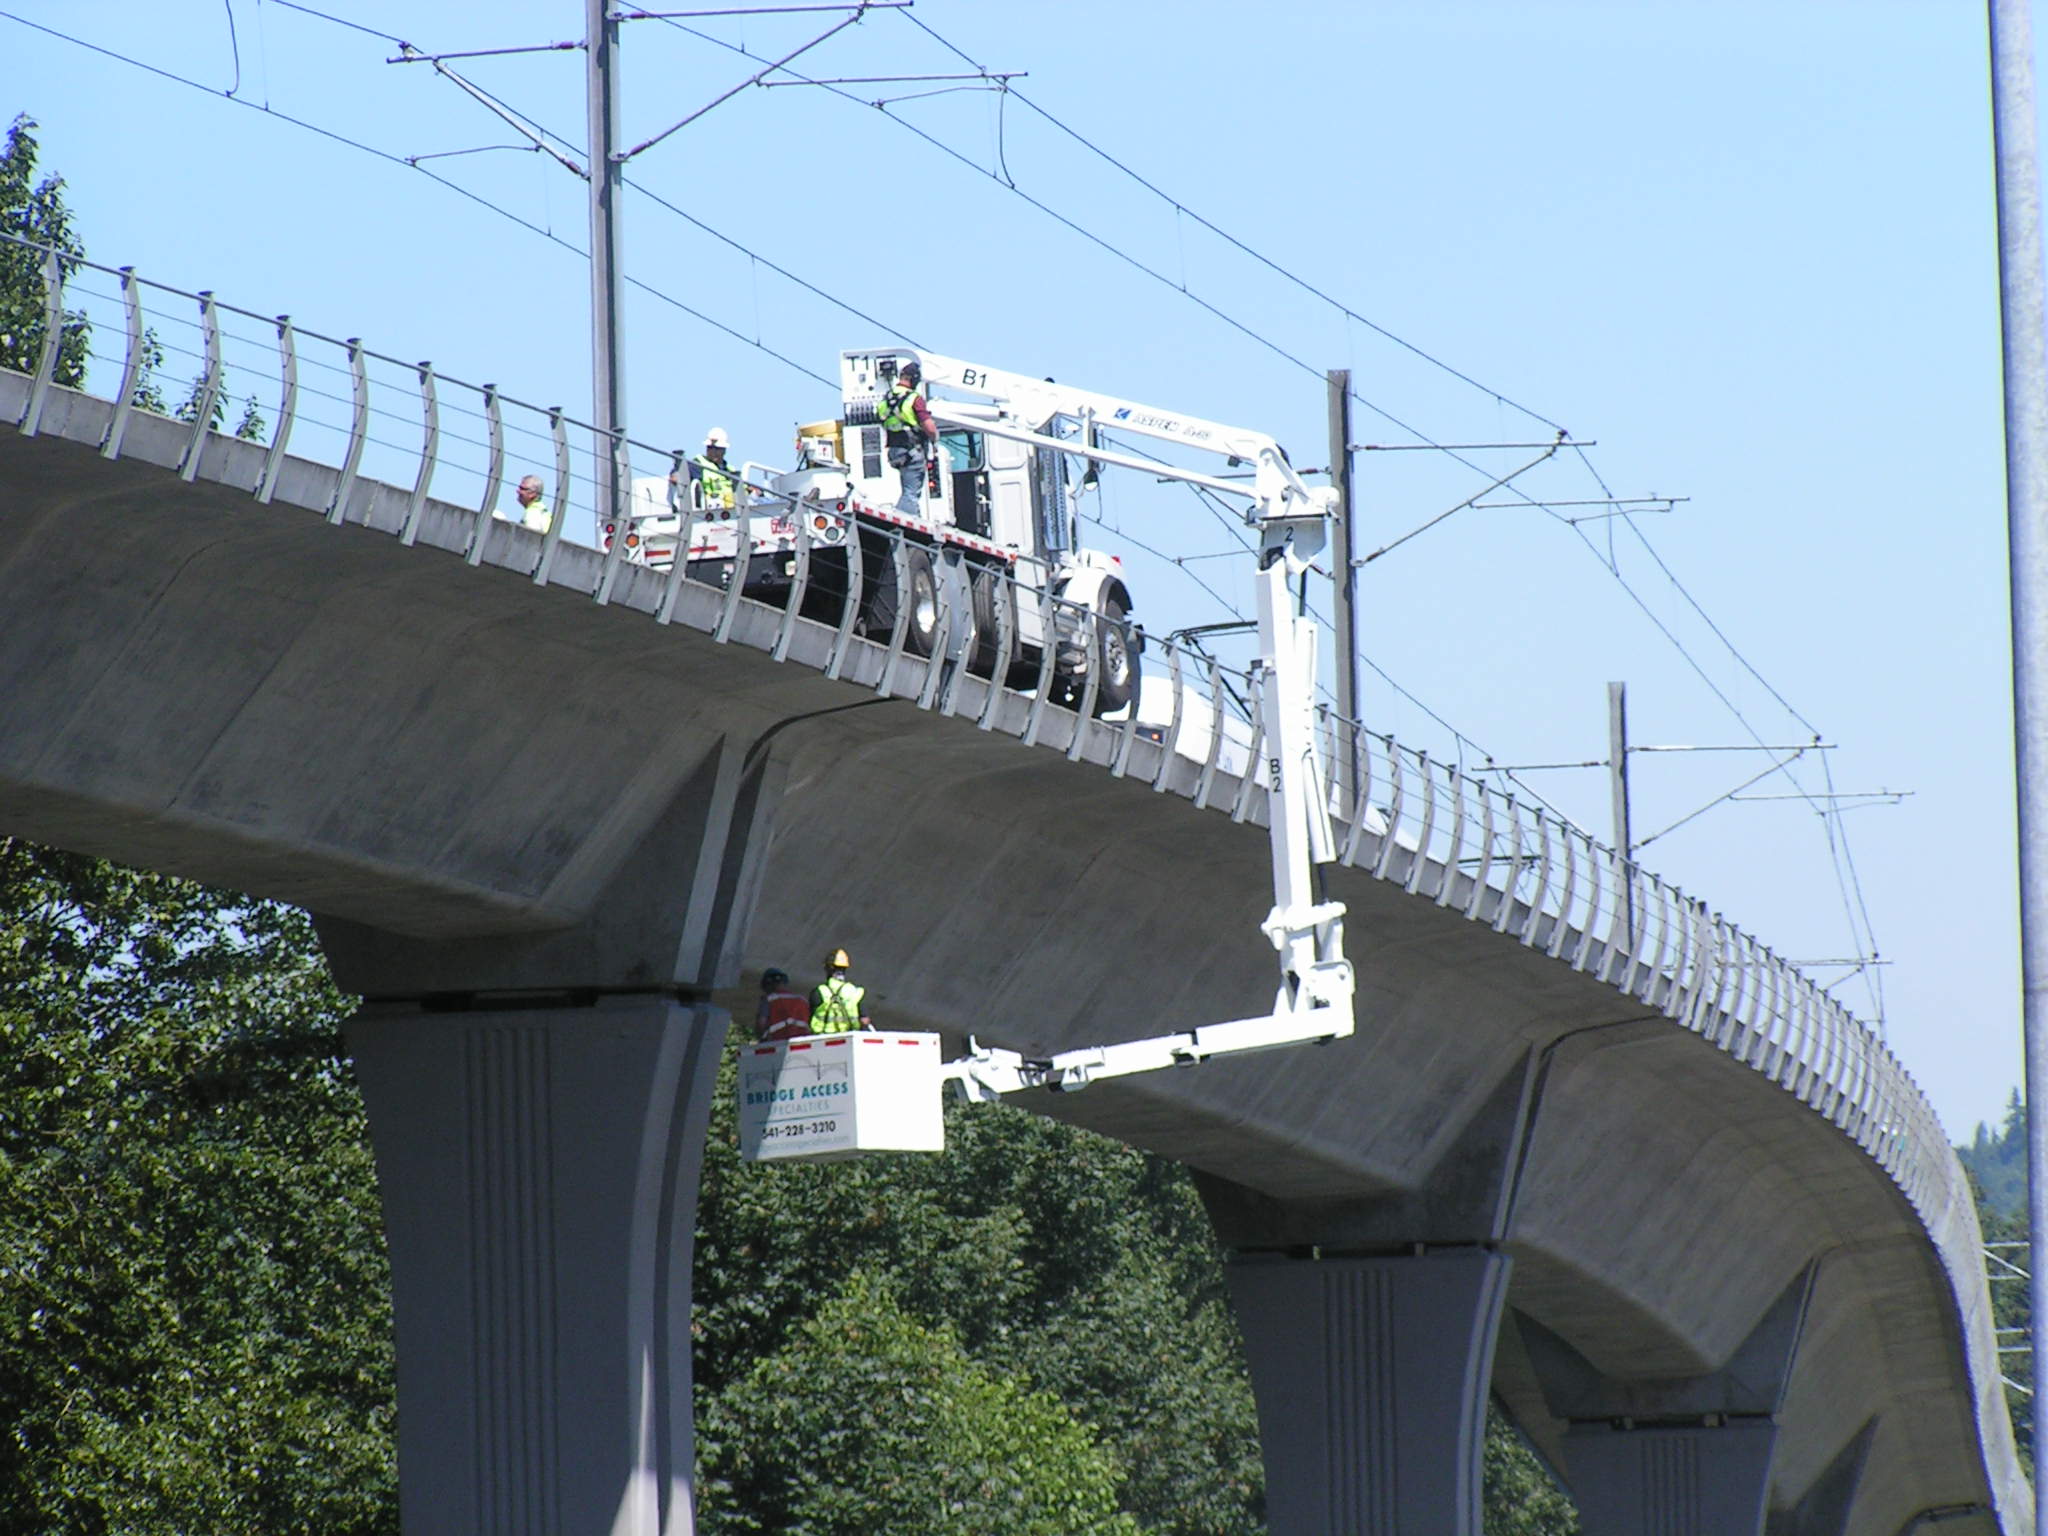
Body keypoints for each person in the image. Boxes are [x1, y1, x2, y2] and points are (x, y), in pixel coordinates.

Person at [877, 360, 936, 516]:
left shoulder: (885, 399)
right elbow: (929, 426)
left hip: (895, 451)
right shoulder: (914, 398)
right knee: (911, 493)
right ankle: (904, 523)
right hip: (912, 451)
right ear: (914, 379)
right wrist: (934, 439)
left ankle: (913, 517)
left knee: (908, 489)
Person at [809, 947, 872, 1034]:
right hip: (849, 1038)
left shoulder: (818, 992)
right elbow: (864, 1020)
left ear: (828, 969)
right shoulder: (855, 992)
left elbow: (810, 1019)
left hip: (822, 1039)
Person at [755, 968, 813, 1042]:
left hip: (777, 1041)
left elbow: (761, 1023)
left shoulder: (769, 999)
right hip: (804, 1041)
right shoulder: (802, 1000)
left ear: (768, 984)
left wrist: (762, 1038)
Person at [690, 426, 737, 513]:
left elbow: (743, 489)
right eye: (710, 448)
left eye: (717, 449)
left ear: (724, 450)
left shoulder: (730, 470)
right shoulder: (698, 463)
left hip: (733, 509)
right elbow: (680, 475)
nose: (713, 452)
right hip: (709, 509)